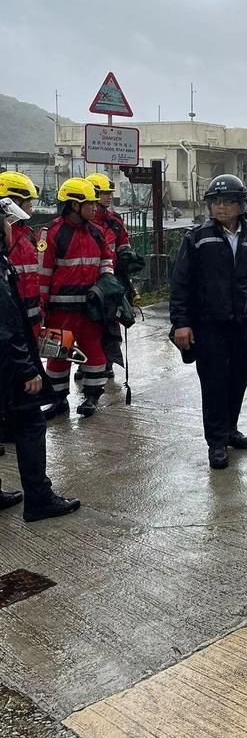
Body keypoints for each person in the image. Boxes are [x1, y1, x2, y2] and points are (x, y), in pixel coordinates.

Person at [170, 174, 247, 470]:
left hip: (243, 323)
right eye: (215, 202)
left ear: (240, 205)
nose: (220, 207)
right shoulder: (197, 238)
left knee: (238, 380)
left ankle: (230, 430)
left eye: (227, 202)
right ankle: (216, 443)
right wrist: (181, 323)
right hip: (208, 325)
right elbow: (181, 284)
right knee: (214, 384)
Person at [0, 196, 80, 520]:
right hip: (10, 363)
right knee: (31, 423)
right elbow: (6, 326)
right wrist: (27, 369)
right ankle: (39, 498)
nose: (10, 228)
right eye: (6, 222)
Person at [39, 178, 114, 419]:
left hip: (91, 309)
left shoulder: (97, 232)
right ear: (73, 206)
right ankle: (58, 401)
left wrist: (108, 287)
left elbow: (106, 262)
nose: (95, 208)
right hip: (60, 310)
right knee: (58, 356)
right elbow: (43, 275)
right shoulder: (51, 233)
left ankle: (92, 396)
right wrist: (40, 309)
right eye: (89, 203)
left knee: (94, 352)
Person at [84, 172, 134, 380]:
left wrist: (127, 258)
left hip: (111, 281)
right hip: (87, 282)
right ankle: (87, 363)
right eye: (104, 192)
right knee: (87, 325)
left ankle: (108, 362)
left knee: (111, 323)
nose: (109, 196)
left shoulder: (114, 221)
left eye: (109, 192)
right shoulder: (82, 224)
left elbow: (123, 244)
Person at [0, 171, 42, 334]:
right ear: (14, 202)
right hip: (9, 325)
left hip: (31, 320)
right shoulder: (5, 237)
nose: (31, 205)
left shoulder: (28, 234)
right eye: (28, 201)